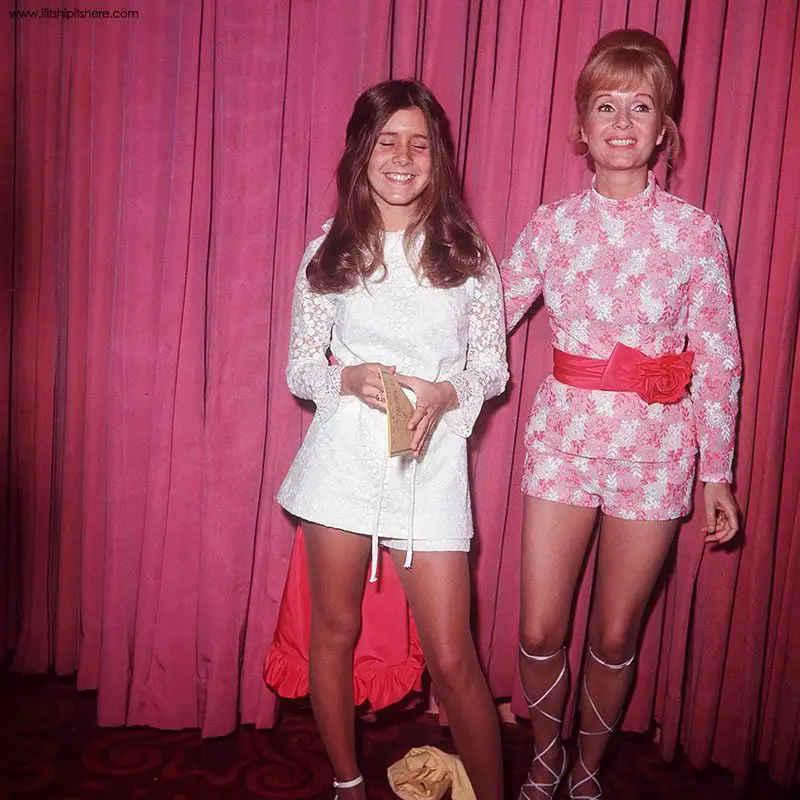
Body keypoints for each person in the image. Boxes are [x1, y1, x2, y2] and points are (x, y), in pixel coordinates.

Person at [500, 30, 742, 800]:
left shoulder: (696, 232)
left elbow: (720, 357)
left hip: (659, 453)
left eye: (642, 106)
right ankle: (543, 754)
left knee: (613, 634)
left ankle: (586, 771)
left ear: (663, 127)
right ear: (581, 124)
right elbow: (485, 320)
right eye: (606, 104)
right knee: (541, 629)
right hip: (563, 444)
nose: (623, 121)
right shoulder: (552, 225)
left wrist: (719, 473)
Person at [275, 79, 508, 800]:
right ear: (361, 153)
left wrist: (446, 392)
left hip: (428, 467)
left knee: (453, 656)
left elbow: (491, 369)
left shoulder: (467, 254)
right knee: (335, 632)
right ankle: (347, 785)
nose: (403, 157)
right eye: (387, 141)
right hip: (341, 467)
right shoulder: (329, 252)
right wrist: (346, 382)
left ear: (438, 158)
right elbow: (301, 367)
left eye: (419, 143)